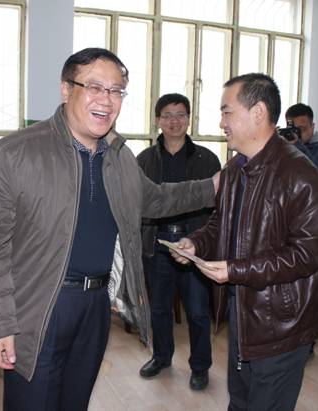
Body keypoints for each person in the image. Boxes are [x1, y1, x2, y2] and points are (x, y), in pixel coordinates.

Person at [0, 48, 218, 411]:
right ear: (66, 89)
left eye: (116, 90)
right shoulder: (16, 153)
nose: (107, 99)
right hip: (39, 306)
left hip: (96, 305)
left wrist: (214, 186)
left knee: (76, 402)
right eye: (95, 87)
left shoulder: (119, 157)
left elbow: (156, 199)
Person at [171, 73, 318, 411]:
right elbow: (220, 224)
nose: (221, 123)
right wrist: (195, 243)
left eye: (227, 112)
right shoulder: (234, 169)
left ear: (258, 112)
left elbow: (308, 254)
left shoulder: (300, 174)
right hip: (244, 312)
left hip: (282, 323)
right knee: (241, 401)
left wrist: (236, 270)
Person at [137, 93, 221, 390]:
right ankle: (161, 357)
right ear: (157, 120)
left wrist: (203, 242)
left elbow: (217, 208)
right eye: (167, 115)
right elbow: (138, 203)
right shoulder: (144, 160)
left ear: (189, 119)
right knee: (159, 309)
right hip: (156, 243)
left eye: (180, 115)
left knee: (197, 311)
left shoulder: (207, 159)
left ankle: (200, 366)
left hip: (193, 244)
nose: (174, 121)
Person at [285, 103, 318, 177]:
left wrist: (297, 145)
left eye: (301, 129)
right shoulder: (285, 144)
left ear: (312, 126)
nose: (297, 133)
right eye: (293, 129)